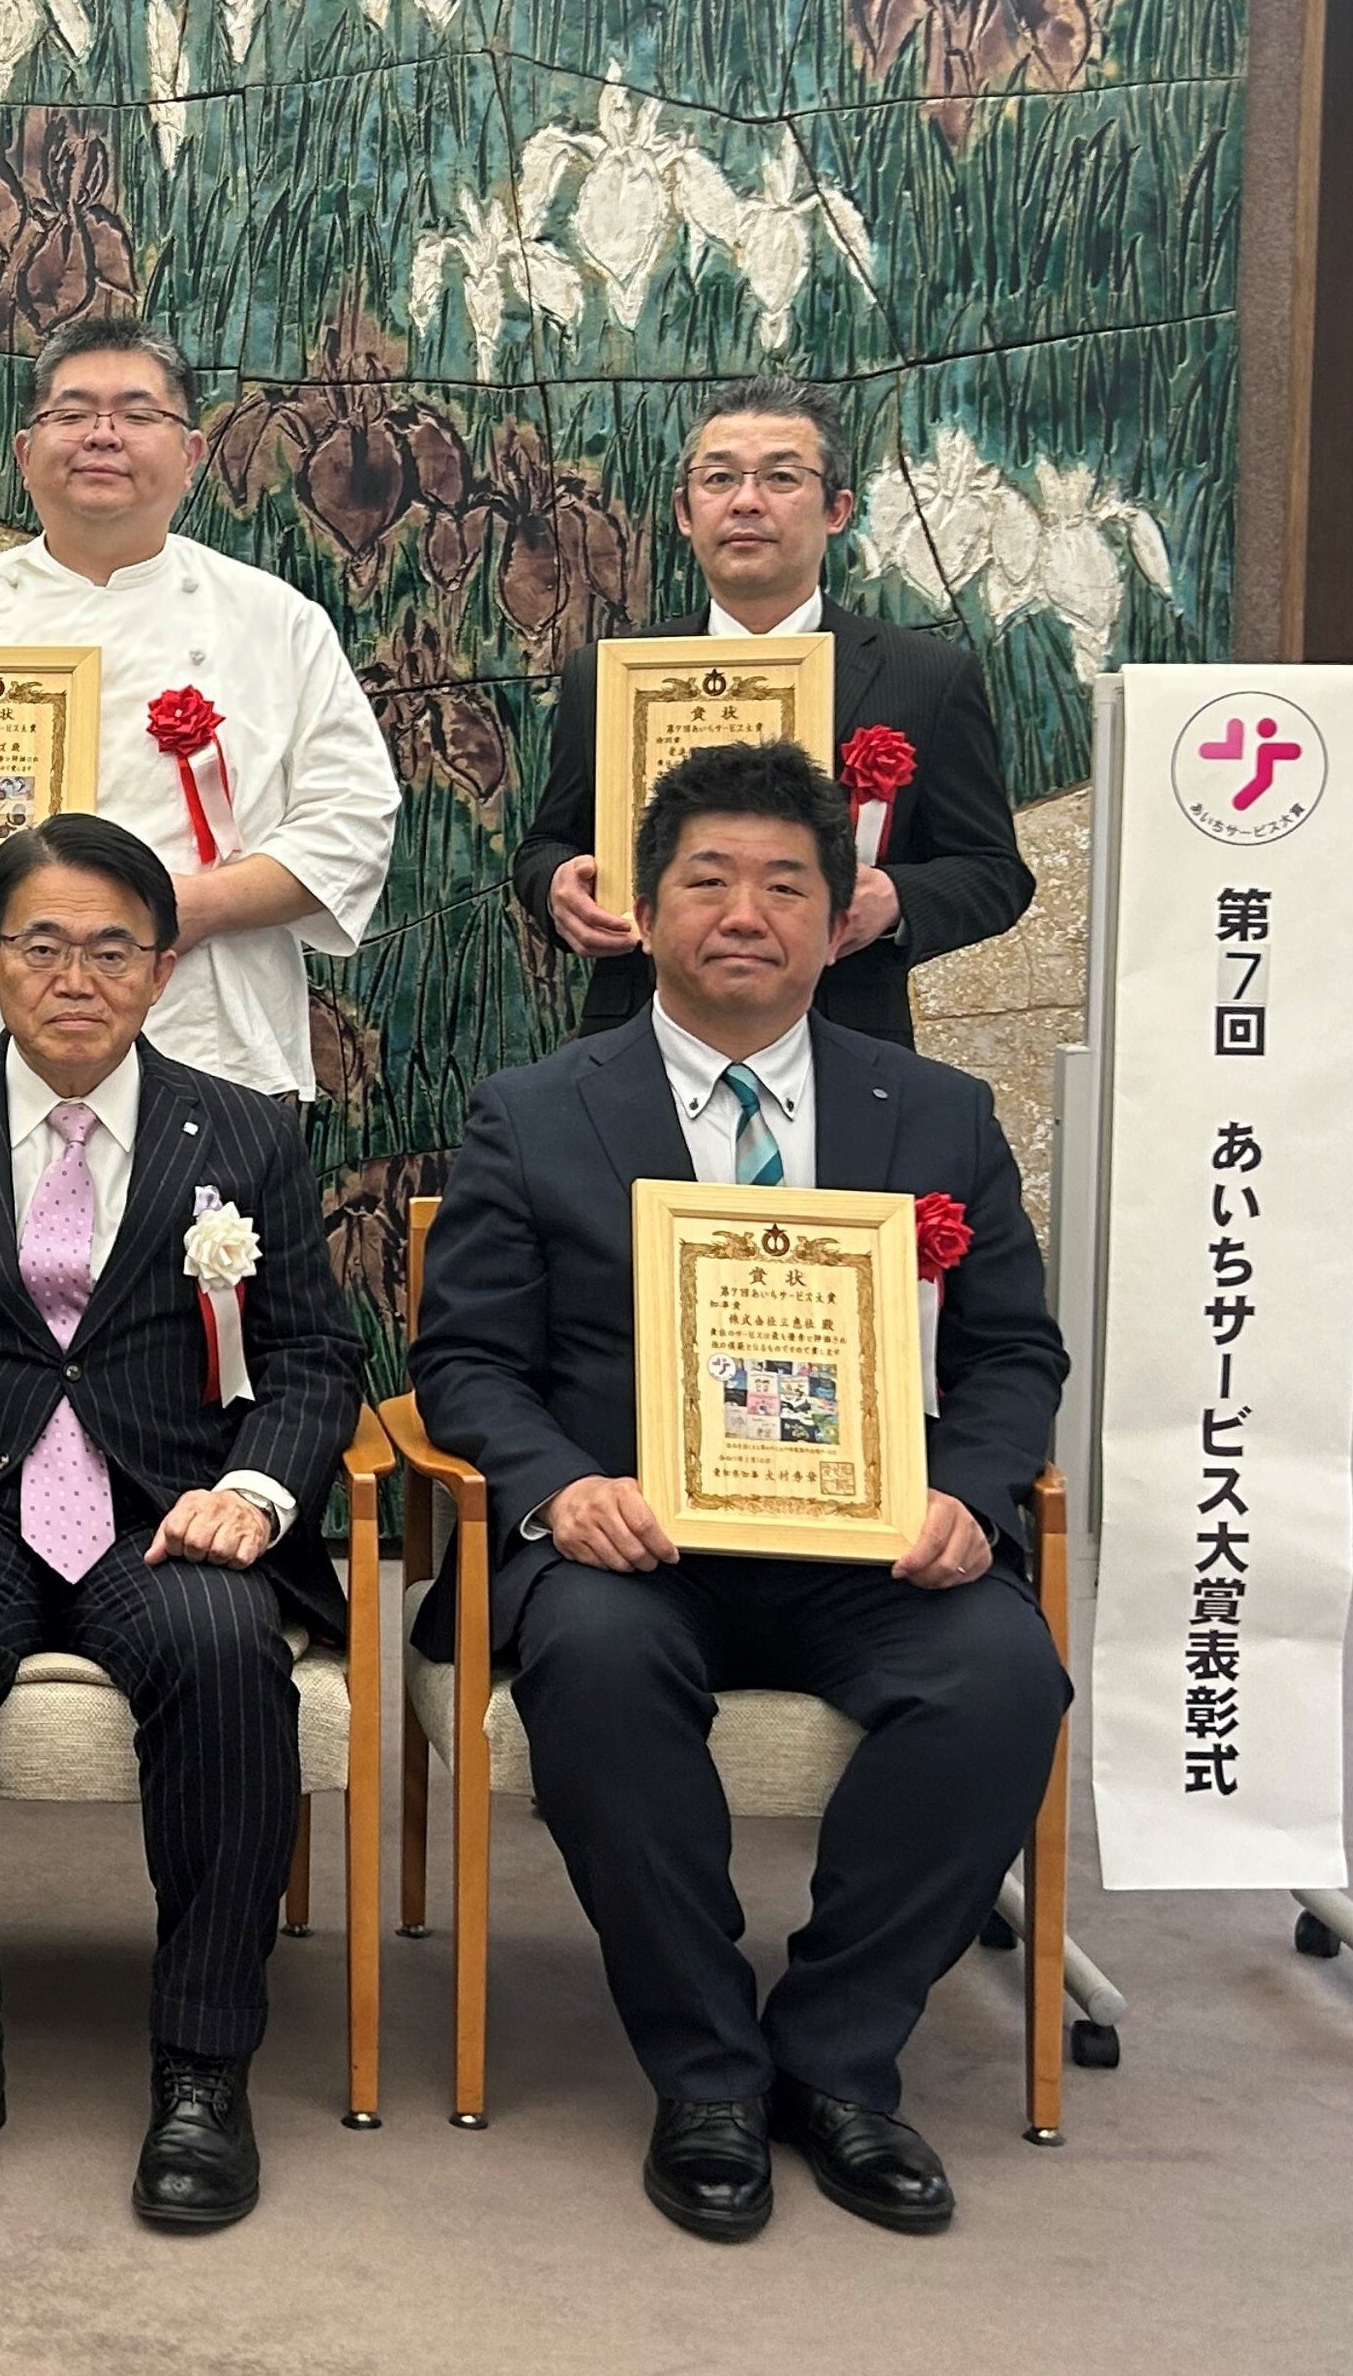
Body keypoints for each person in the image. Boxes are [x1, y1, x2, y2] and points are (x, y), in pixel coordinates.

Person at [414, 737, 1071, 2243]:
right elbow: (467, 1363)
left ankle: (837, 2059)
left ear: (841, 924)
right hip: (634, 1544)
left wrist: (972, 1494)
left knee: (1003, 1676)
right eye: (707, 880)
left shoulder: (940, 1114)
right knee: (595, 1663)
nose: (745, 914)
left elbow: (1014, 1353)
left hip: (872, 1549)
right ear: (644, 914)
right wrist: (559, 1489)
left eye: (786, 886)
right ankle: (706, 2068)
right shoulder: (535, 1110)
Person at [0, 812, 366, 2231]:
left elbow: (312, 1357)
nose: (76, 978)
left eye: (113, 949)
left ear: (164, 970)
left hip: (167, 1509)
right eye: (42, 945)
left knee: (225, 1648)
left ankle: (204, 2063)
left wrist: (254, 1493)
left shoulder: (244, 1129)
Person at [0, 315, 397, 1099]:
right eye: (73, 412)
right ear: (26, 454)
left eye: (138, 413)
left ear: (190, 455)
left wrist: (191, 907)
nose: (102, 435)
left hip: (205, 1032)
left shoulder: (275, 622)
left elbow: (350, 819)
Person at [516, 375, 1030, 1047]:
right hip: (638, 1034)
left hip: (846, 1036)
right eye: (719, 478)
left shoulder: (926, 678)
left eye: (782, 477)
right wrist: (557, 888)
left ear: (837, 509)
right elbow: (547, 844)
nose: (746, 501)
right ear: (685, 510)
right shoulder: (610, 672)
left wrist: (893, 900)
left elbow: (994, 872)